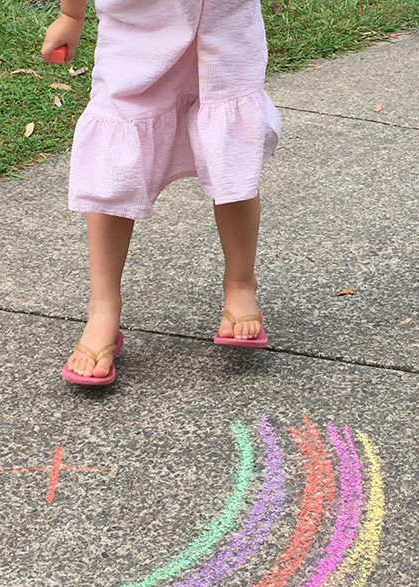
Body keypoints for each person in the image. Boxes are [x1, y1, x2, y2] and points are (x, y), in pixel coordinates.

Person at [43, 0, 282, 385]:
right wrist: (72, 15)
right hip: (138, 26)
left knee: (230, 152)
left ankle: (240, 282)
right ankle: (103, 307)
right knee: (116, 162)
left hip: (224, 24)